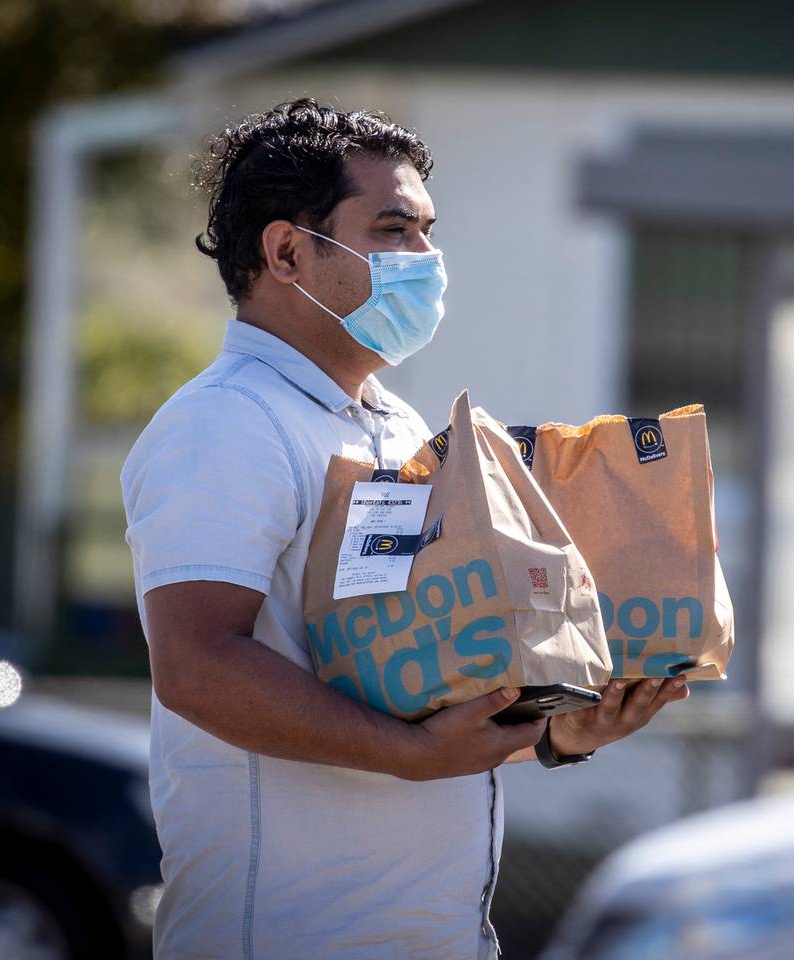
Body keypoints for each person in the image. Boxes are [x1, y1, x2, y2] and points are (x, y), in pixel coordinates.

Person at [120, 98, 688, 959]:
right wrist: (409, 754)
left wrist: (562, 733)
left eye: (427, 231)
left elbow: (421, 689)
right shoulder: (225, 424)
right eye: (393, 230)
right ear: (286, 252)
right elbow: (197, 667)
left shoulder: (394, 428)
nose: (426, 259)